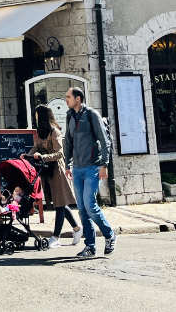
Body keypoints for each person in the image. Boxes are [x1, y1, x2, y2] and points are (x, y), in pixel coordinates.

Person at [62, 86, 116, 258]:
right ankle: (90, 246)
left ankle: (109, 234)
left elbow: (104, 140)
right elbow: (68, 141)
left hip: (93, 167)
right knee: (82, 210)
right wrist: (67, 164)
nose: (66, 100)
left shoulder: (91, 114)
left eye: (68, 97)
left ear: (78, 98)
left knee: (90, 206)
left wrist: (104, 165)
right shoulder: (69, 116)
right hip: (77, 168)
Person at [27, 104, 83, 248]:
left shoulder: (55, 131)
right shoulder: (40, 132)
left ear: (43, 116)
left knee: (59, 205)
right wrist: (27, 155)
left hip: (57, 171)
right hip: (46, 171)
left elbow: (60, 153)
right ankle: (77, 229)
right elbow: (36, 147)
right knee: (60, 204)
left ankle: (55, 237)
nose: (36, 117)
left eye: (37, 115)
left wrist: (43, 156)